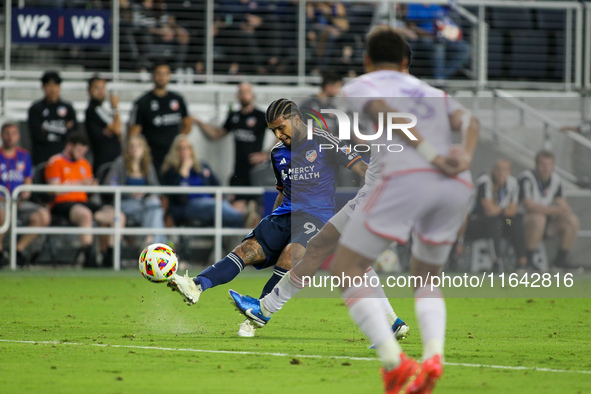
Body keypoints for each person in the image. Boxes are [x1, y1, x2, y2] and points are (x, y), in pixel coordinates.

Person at [300, 27, 478, 392]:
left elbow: (387, 112)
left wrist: (431, 155)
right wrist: (463, 155)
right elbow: (470, 122)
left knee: (346, 267)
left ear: (367, 60)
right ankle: (433, 358)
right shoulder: (432, 92)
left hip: (409, 179)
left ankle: (395, 365)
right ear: (406, 62)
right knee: (427, 278)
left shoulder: (364, 85)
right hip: (456, 185)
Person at [166, 99, 368, 338]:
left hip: (317, 216)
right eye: (273, 130)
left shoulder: (324, 140)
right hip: (284, 215)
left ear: (296, 119)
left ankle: (259, 313)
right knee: (246, 250)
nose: (278, 134)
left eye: (281, 128)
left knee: (290, 254)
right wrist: (270, 221)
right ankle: (197, 285)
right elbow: (283, 191)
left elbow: (363, 170)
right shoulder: (277, 153)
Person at [45, 132, 125, 267]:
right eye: (79, 150)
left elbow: (88, 189)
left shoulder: (84, 163)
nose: (82, 154)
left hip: (83, 202)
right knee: (85, 214)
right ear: (70, 146)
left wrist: (92, 187)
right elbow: (53, 189)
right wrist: (79, 184)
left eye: (84, 151)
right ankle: (89, 256)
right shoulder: (55, 161)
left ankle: (110, 255)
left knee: (118, 216)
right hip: (63, 203)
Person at [193, 82, 270, 192]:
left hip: (256, 170)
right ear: (237, 95)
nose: (244, 95)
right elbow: (217, 134)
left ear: (253, 95)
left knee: (256, 205)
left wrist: (267, 154)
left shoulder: (261, 116)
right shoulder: (234, 116)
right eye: (241, 92)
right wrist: (198, 121)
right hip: (238, 170)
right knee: (236, 205)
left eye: (247, 92)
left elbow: (282, 134)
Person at [160, 134, 244, 228]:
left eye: (187, 148)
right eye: (181, 148)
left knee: (221, 206)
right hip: (187, 206)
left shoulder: (202, 166)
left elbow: (216, 185)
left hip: (209, 202)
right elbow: (178, 196)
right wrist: (184, 170)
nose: (184, 151)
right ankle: (244, 218)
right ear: (175, 151)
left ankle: (243, 232)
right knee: (217, 206)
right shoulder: (171, 170)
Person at [0, 122, 52, 266]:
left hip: (19, 201)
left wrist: (25, 193)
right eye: (7, 133)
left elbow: (27, 180)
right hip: (2, 200)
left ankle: (17, 251)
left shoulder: (23, 155)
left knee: (43, 216)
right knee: (2, 213)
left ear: (18, 136)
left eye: (14, 134)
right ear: (1, 135)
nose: (10, 137)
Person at [519, 150, 580, 269]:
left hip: (544, 221)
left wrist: (563, 210)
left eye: (549, 165)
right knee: (538, 219)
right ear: (536, 165)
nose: (546, 169)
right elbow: (529, 206)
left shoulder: (556, 180)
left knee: (572, 220)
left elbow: (561, 203)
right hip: (515, 222)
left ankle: (560, 260)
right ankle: (528, 260)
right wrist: (554, 210)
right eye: (543, 165)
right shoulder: (526, 178)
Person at [128, 61, 192, 174]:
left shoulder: (178, 99)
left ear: (169, 76)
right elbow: (134, 132)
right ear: (153, 75)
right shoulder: (143, 102)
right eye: (158, 73)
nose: (162, 77)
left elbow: (187, 123)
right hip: (151, 156)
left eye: (165, 73)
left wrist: (179, 142)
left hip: (173, 154)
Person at [465, 159, 527, 270]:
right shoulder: (485, 181)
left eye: (505, 170)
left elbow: (513, 211)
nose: (501, 173)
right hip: (478, 220)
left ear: (509, 172)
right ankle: (496, 261)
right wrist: (504, 210)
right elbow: (488, 210)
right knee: (495, 223)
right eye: (498, 169)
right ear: (493, 170)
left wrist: (500, 211)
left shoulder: (512, 183)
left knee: (514, 222)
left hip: (504, 220)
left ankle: (522, 261)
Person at [103, 135, 166, 245]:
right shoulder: (120, 163)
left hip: (144, 203)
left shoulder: (147, 165)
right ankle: (157, 245)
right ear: (127, 149)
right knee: (155, 209)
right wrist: (129, 192)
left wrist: (147, 193)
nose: (135, 149)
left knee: (154, 206)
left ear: (144, 149)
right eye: (132, 146)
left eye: (138, 146)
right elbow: (109, 184)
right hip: (124, 203)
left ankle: (150, 241)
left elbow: (156, 187)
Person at [404, 3, 471, 80]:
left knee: (464, 48)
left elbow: (445, 23)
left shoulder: (436, 6)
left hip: (441, 37)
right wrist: (429, 34)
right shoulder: (413, 5)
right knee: (438, 47)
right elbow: (411, 27)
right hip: (423, 37)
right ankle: (438, 80)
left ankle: (441, 78)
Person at [27, 71, 78, 166]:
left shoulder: (68, 108)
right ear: (43, 87)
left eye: (56, 85)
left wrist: (47, 131)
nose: (53, 89)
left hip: (64, 159)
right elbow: (37, 135)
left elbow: (73, 135)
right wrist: (62, 132)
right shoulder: (35, 109)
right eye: (49, 85)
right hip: (42, 158)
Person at [85, 75, 122, 175]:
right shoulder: (95, 109)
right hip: (104, 163)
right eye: (97, 88)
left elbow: (118, 134)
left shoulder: (102, 110)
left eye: (103, 88)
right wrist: (115, 107)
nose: (101, 91)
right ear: (89, 90)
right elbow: (118, 129)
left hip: (111, 161)